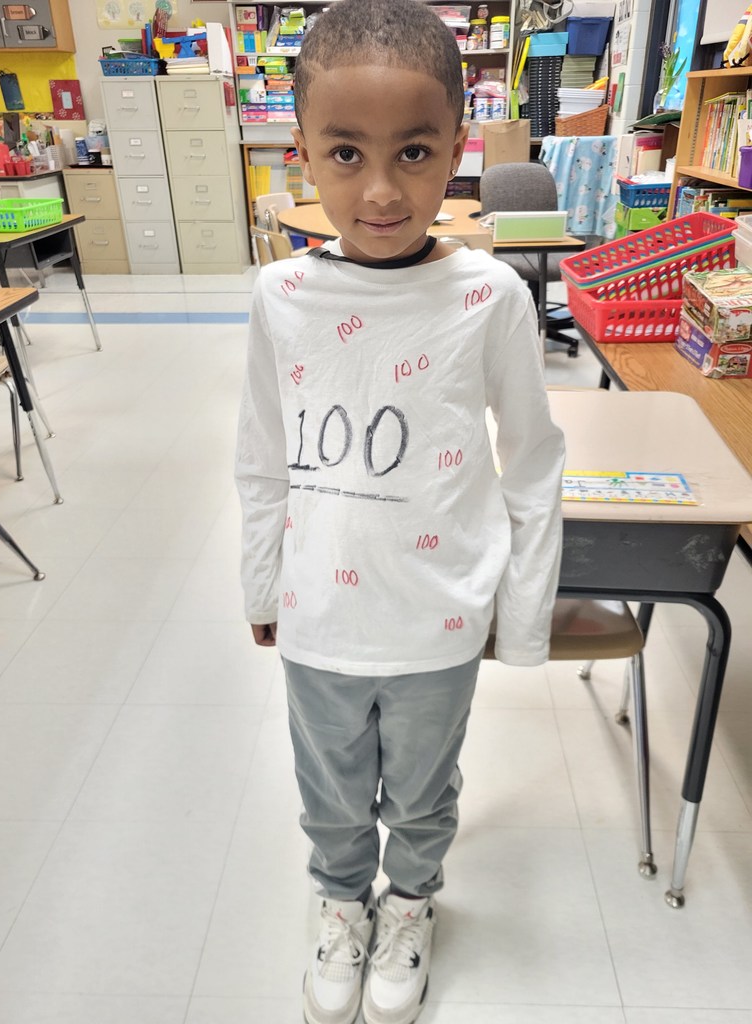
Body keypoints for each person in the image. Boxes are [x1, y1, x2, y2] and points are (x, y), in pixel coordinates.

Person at [235, 1, 565, 1022]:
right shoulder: (281, 294)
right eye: (346, 152)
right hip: (321, 619)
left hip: (437, 616)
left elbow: (533, 461)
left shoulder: (491, 296)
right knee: (330, 788)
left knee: (421, 790)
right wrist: (260, 579)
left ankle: (410, 902)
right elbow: (261, 456)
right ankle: (341, 901)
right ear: (305, 152)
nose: (381, 190)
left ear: (459, 148)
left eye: (414, 151)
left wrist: (523, 613)